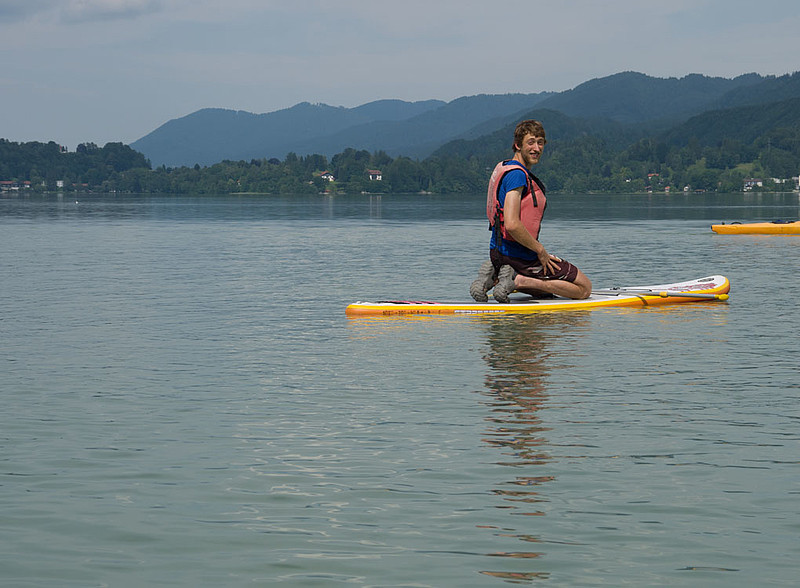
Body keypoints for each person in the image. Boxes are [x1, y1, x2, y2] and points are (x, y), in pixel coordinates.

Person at [470, 119, 592, 303]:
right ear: (518, 145)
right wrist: (540, 251)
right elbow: (511, 224)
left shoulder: (505, 167)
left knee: (545, 295)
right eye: (531, 142)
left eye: (540, 142)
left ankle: (497, 275)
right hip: (520, 255)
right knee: (583, 288)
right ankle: (518, 280)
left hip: (498, 253)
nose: (537, 148)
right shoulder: (517, 175)